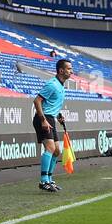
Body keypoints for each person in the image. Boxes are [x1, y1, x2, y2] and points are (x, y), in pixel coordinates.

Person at [33, 59, 73, 193]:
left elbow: (51, 104)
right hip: (43, 119)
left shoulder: (61, 86)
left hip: (51, 118)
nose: (71, 71)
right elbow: (37, 101)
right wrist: (43, 120)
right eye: (69, 69)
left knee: (57, 151)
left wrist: (59, 115)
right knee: (50, 148)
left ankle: (49, 179)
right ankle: (43, 181)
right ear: (61, 70)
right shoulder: (52, 84)